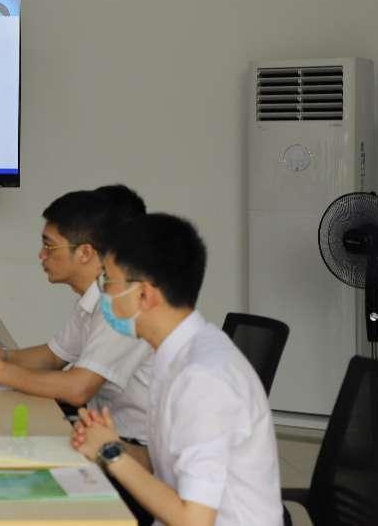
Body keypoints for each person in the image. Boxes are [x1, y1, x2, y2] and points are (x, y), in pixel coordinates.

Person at [71, 213, 283, 525]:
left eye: (109, 282)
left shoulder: (203, 377)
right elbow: (165, 464)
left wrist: (110, 453)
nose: (104, 294)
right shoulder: (176, 353)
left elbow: (194, 520)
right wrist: (113, 444)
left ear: (144, 294)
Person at [0, 187, 153, 444]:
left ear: (85, 253)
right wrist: (2, 356)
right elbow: (53, 356)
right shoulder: (92, 297)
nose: (41, 254)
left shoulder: (119, 305)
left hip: (134, 445)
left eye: (49, 245)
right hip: (100, 428)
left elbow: (78, 389)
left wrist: (0, 370)